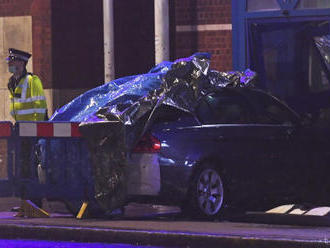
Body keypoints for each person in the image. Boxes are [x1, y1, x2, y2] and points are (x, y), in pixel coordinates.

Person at [6, 48, 48, 216]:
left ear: (22, 63)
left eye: (12, 61)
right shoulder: (12, 82)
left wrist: (37, 130)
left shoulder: (32, 80)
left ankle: (36, 203)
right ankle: (26, 202)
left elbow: (40, 106)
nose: (9, 64)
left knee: (32, 168)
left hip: (33, 130)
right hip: (20, 130)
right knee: (22, 167)